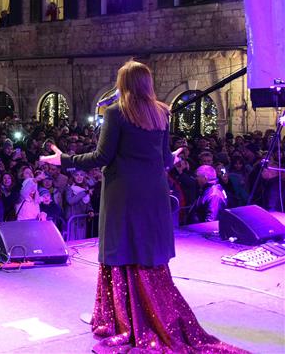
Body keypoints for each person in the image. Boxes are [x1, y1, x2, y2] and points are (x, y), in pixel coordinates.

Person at [40, 60, 238, 351]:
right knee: (146, 252)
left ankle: (118, 316)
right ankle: (149, 314)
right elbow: (162, 158)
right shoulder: (161, 112)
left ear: (124, 83)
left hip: (124, 194)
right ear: (147, 83)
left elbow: (102, 157)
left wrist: (63, 161)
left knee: (123, 249)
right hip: (154, 193)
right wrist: (171, 156)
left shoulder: (116, 113)